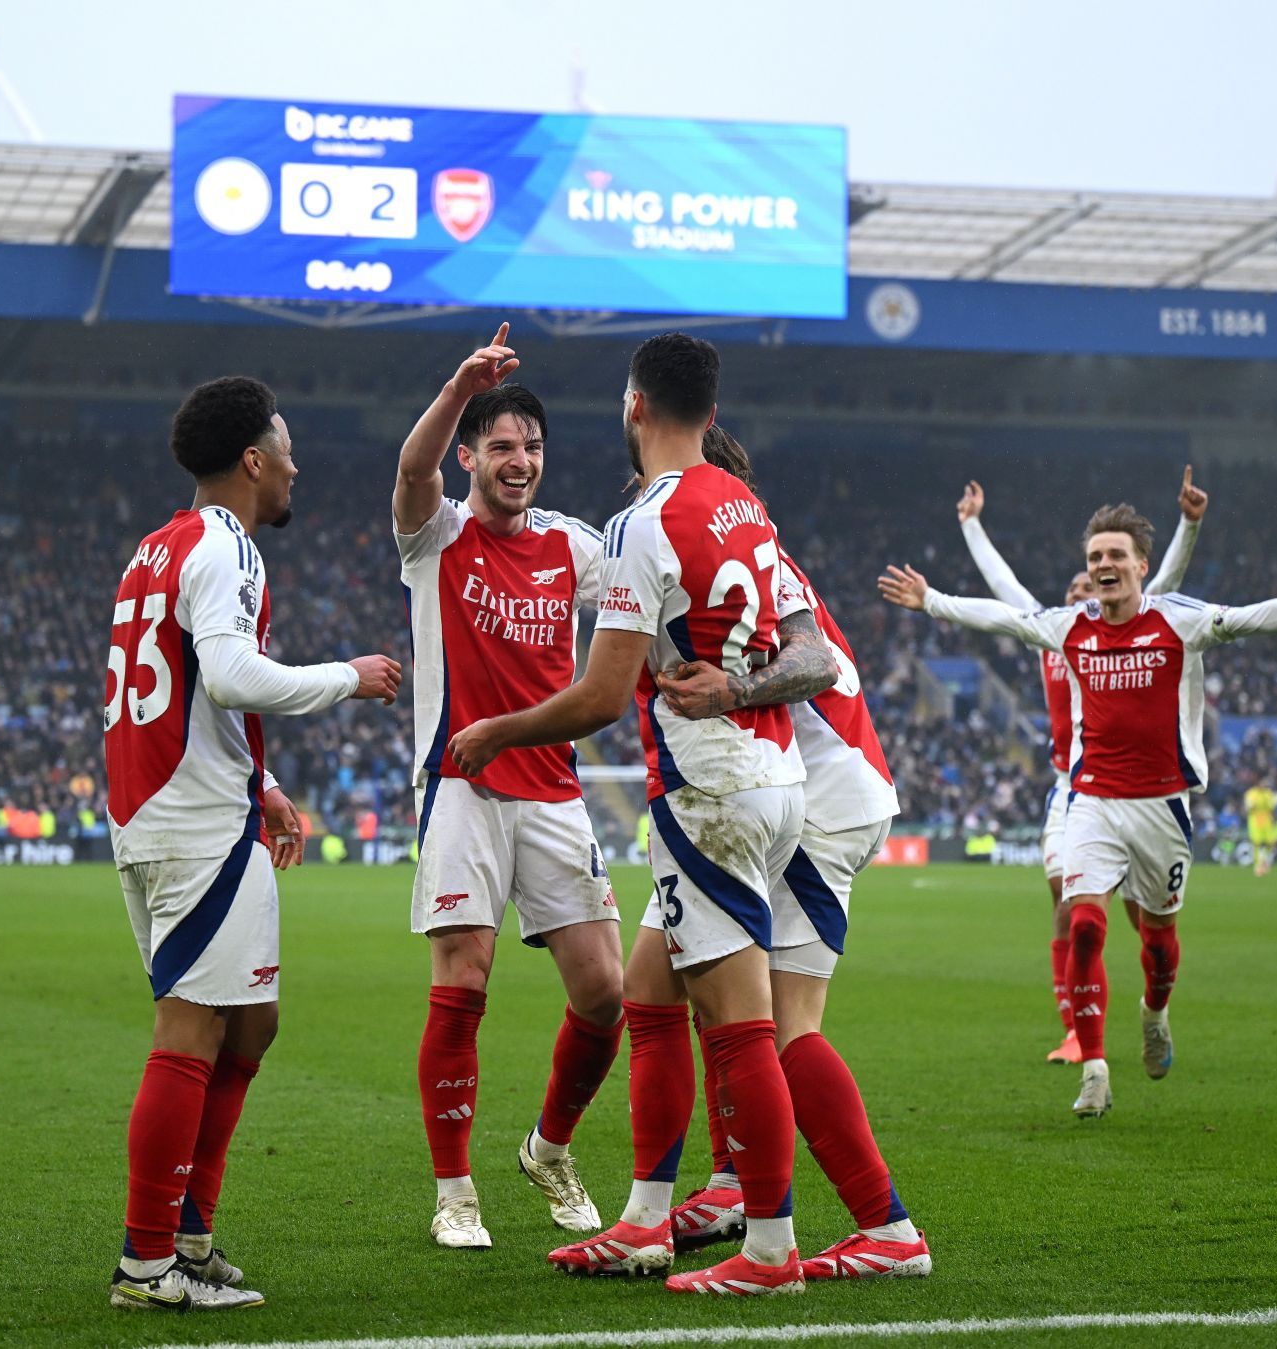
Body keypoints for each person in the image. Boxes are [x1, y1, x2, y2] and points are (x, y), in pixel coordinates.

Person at [447, 333, 840, 1295]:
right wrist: (745, 687)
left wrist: (497, 729)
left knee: (741, 1024)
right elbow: (815, 657)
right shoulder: (746, 504)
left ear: (634, 407)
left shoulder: (642, 523)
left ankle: (771, 1250)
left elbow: (597, 695)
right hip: (775, 779)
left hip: (708, 795)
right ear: (709, 411)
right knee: (650, 989)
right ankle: (646, 1221)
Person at [880, 503, 1277, 1119]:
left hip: (1162, 807)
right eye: (1095, 557)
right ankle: (1095, 1068)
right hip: (1091, 799)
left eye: (1115, 556)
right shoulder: (1070, 626)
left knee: (1157, 941)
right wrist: (932, 599)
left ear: (1141, 566)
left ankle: (1155, 1013)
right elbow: (1006, 615)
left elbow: (1256, 618)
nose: (1103, 566)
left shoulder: (1177, 620)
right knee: (1084, 924)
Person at [104, 376, 402, 1312]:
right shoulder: (226, 542)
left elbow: (184, 691)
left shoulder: (156, 545)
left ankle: (188, 1232)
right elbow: (229, 677)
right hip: (192, 827)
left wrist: (262, 786)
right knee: (193, 1028)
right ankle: (149, 1262)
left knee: (253, 1023)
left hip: (175, 810)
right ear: (252, 461)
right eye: (286, 446)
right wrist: (346, 676)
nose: (295, 465)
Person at [657, 427, 929, 1281]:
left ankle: (887, 1227)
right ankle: (736, 1179)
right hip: (822, 791)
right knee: (713, 985)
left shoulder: (740, 551)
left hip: (824, 800)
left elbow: (808, 663)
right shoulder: (754, 551)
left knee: (776, 1028)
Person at [394, 325, 627, 1250]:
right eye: (501, 447)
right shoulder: (437, 534)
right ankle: (455, 1191)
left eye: (530, 446)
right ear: (471, 458)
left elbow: (643, 602)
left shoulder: (575, 549)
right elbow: (412, 470)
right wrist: (459, 383)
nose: (519, 460)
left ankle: (549, 1148)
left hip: (555, 793)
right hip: (463, 786)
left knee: (606, 992)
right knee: (464, 978)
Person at [954, 468, 1204, 1064]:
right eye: (1070, 591)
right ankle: (1077, 1032)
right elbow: (1001, 586)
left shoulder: (1124, 625)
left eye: (1083, 590)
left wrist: (1189, 525)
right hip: (1073, 790)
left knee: (1146, 920)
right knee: (1070, 909)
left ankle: (1151, 1001)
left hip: (1136, 792)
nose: (1078, 596)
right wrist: (971, 527)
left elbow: (1164, 580)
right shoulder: (1056, 633)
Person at [1244, 782, 1277, 877]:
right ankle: (1259, 865)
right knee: (1257, 843)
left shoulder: (1268, 793)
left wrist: (1275, 801)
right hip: (1255, 820)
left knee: (1271, 842)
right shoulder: (1251, 793)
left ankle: (1264, 861)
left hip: (1267, 819)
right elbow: (1249, 807)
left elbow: (1271, 807)